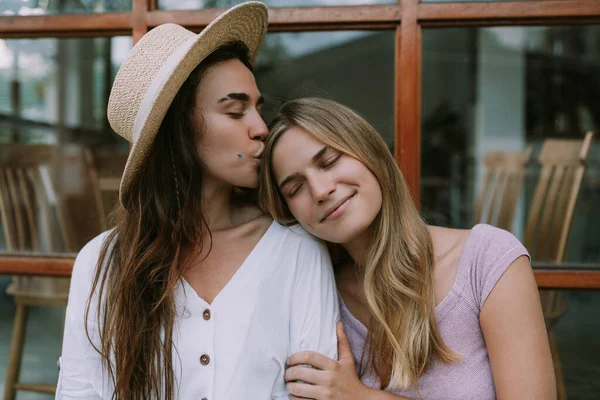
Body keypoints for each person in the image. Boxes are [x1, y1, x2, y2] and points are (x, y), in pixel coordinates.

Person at [56, 5, 339, 400]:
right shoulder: (101, 263)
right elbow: (79, 393)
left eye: (258, 109)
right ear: (179, 128)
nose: (261, 128)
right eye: (235, 110)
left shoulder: (296, 251)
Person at [260, 97, 556, 400]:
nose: (321, 191)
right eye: (295, 188)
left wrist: (359, 396)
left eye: (330, 161)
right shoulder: (318, 295)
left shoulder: (486, 259)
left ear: (369, 152)